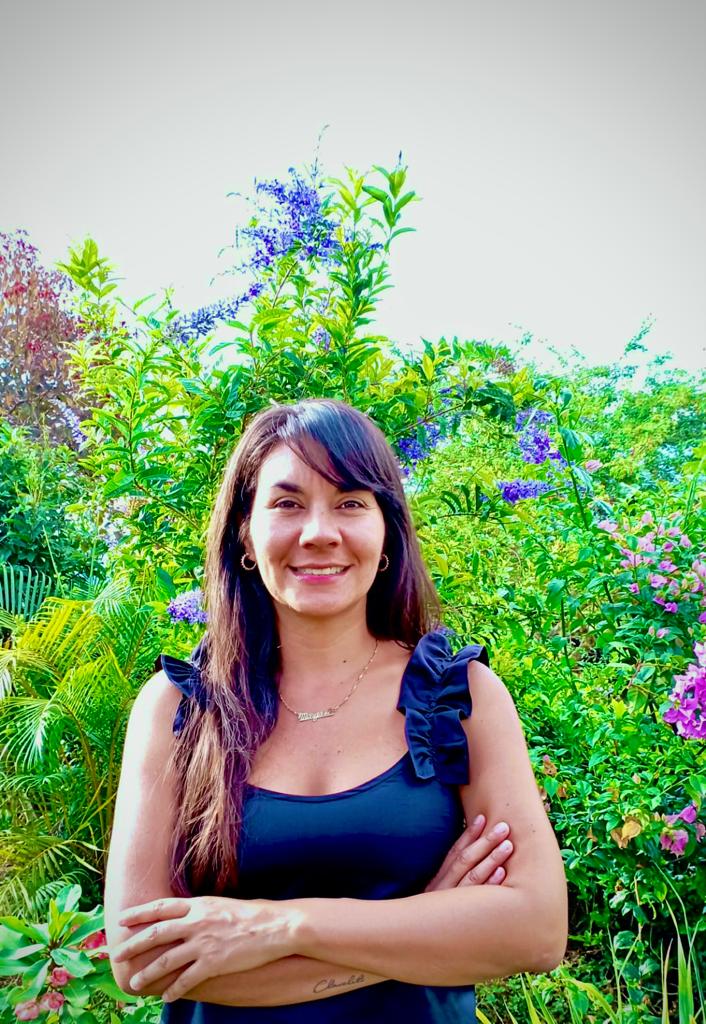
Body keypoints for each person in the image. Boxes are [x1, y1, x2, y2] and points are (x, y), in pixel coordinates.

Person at [104, 397, 568, 1022]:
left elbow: (536, 931)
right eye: (287, 503)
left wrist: (283, 926)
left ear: (386, 535)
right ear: (245, 532)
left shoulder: (463, 699)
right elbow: (142, 958)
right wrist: (425, 922)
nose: (319, 532)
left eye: (351, 502)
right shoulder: (177, 710)